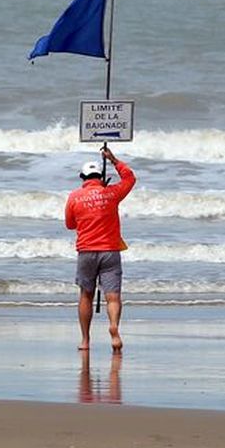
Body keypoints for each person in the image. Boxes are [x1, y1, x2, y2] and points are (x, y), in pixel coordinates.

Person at [64, 145, 136, 352]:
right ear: (99, 176)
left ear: (83, 178)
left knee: (86, 295)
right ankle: (114, 327)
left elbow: (70, 224)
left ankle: (85, 340)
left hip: (86, 251)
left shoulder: (74, 197)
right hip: (110, 251)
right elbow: (130, 179)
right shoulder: (112, 193)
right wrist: (113, 159)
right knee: (113, 296)